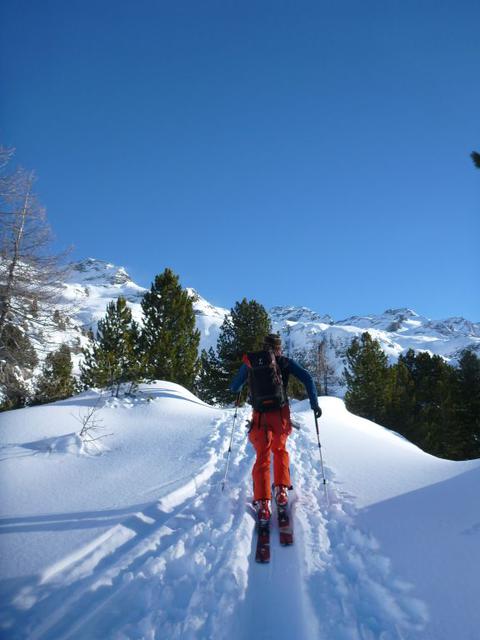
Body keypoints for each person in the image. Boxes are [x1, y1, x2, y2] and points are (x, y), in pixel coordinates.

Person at [230, 333, 322, 523]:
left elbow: (234, 386)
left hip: (260, 415)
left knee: (262, 455)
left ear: (264, 346)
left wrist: (240, 390)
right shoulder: (285, 362)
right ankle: (281, 491)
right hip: (280, 414)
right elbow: (308, 379)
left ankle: (263, 503)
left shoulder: (252, 362)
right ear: (279, 348)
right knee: (279, 451)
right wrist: (314, 404)